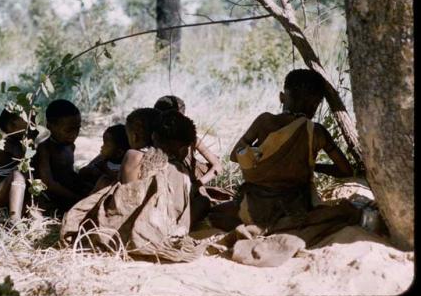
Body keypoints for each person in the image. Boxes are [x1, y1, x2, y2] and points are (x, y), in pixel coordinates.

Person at [208, 69, 360, 262]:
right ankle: (282, 226)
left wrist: (259, 155)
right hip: (297, 207)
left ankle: (262, 227)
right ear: (315, 105)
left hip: (255, 207)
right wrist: (311, 165)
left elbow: (234, 156)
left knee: (214, 214)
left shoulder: (265, 121)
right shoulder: (317, 132)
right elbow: (345, 170)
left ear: (282, 97)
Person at [60, 110, 206, 262]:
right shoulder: (181, 170)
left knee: (104, 183)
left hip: (136, 230)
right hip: (169, 227)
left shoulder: (134, 156)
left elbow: (126, 200)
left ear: (148, 137)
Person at [154, 95, 226, 225]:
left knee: (202, 202)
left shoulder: (192, 139)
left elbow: (218, 166)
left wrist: (198, 184)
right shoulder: (154, 139)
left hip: (190, 185)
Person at [33, 99, 92, 211]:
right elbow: (47, 183)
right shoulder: (44, 149)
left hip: (67, 190)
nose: (74, 135)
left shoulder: (70, 146)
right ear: (49, 126)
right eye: (68, 130)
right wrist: (76, 198)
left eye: (77, 129)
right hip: (50, 195)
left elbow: (69, 173)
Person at [0, 108, 37, 223]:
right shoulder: (7, 145)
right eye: (29, 120)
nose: (34, 125)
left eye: (34, 120)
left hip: (5, 203)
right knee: (18, 174)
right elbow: (25, 158)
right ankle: (14, 220)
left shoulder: (21, 144)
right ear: (12, 127)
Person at [78, 124, 130, 192]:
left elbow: (117, 179)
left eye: (106, 145)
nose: (102, 147)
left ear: (119, 153)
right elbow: (86, 170)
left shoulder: (125, 166)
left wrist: (102, 172)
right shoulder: (104, 160)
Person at [118, 107, 161, 184]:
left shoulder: (133, 156)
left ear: (135, 137)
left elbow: (128, 191)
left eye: (128, 135)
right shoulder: (168, 158)